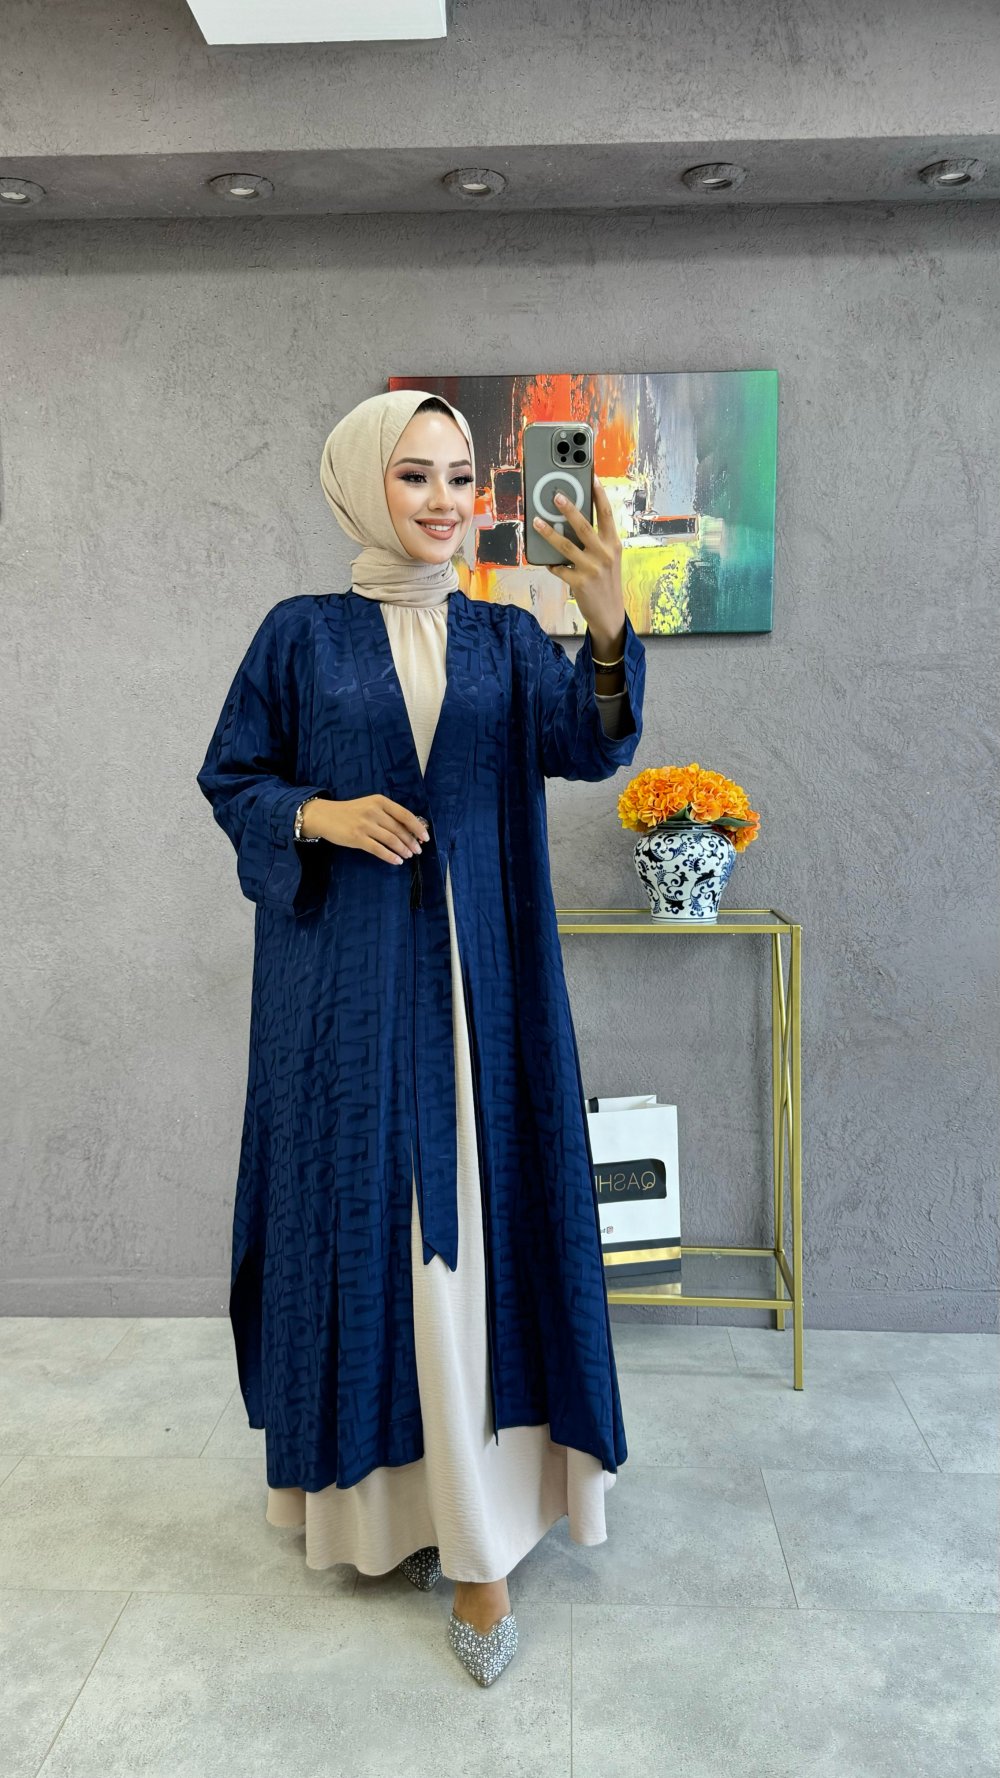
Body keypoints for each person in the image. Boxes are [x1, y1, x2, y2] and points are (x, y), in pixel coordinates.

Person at [195, 388, 646, 1686]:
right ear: (360, 485)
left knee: (471, 1251)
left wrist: (606, 623)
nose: (446, 500)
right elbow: (233, 776)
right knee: (375, 1238)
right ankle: (389, 1506)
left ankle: (482, 1547)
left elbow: (589, 740)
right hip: (343, 994)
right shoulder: (299, 634)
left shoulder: (506, 637)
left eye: (460, 476)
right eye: (415, 475)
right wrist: (320, 815)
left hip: (482, 995)